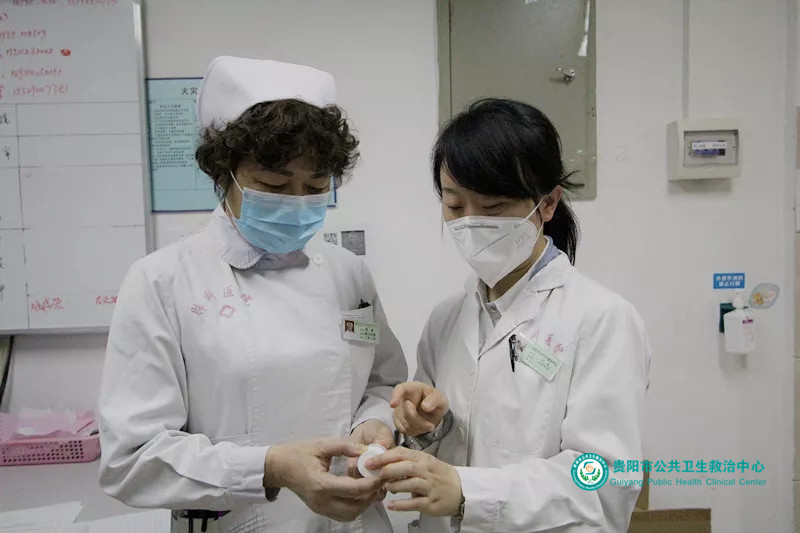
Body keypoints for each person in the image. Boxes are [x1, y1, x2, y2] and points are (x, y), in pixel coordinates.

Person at [98, 56, 407, 533]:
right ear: (225, 174)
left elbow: (381, 383)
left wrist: (377, 422)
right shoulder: (163, 282)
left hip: (355, 520)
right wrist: (269, 467)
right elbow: (132, 458)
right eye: (274, 185)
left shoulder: (349, 273)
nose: (297, 203)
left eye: (315, 186)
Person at [367, 98, 651, 532]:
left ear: (548, 203)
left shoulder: (602, 319)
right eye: (454, 206)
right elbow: (444, 447)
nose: (470, 223)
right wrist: (426, 428)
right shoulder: (446, 319)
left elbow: (601, 481)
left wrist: (470, 492)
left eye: (493, 207)